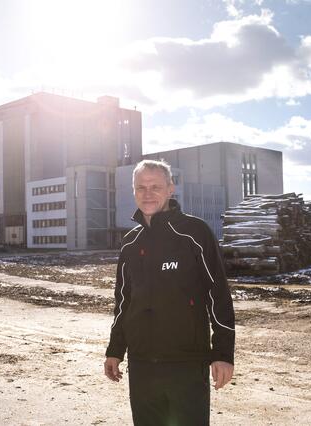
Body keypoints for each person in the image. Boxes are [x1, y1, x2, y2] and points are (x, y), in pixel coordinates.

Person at [104, 159, 235, 425]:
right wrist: (115, 349)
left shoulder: (195, 233)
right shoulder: (130, 243)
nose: (148, 193)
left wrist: (222, 353)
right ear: (134, 191)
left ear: (170, 189)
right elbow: (123, 302)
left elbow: (217, 295)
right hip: (142, 365)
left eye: (156, 186)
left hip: (186, 363)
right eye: (141, 187)